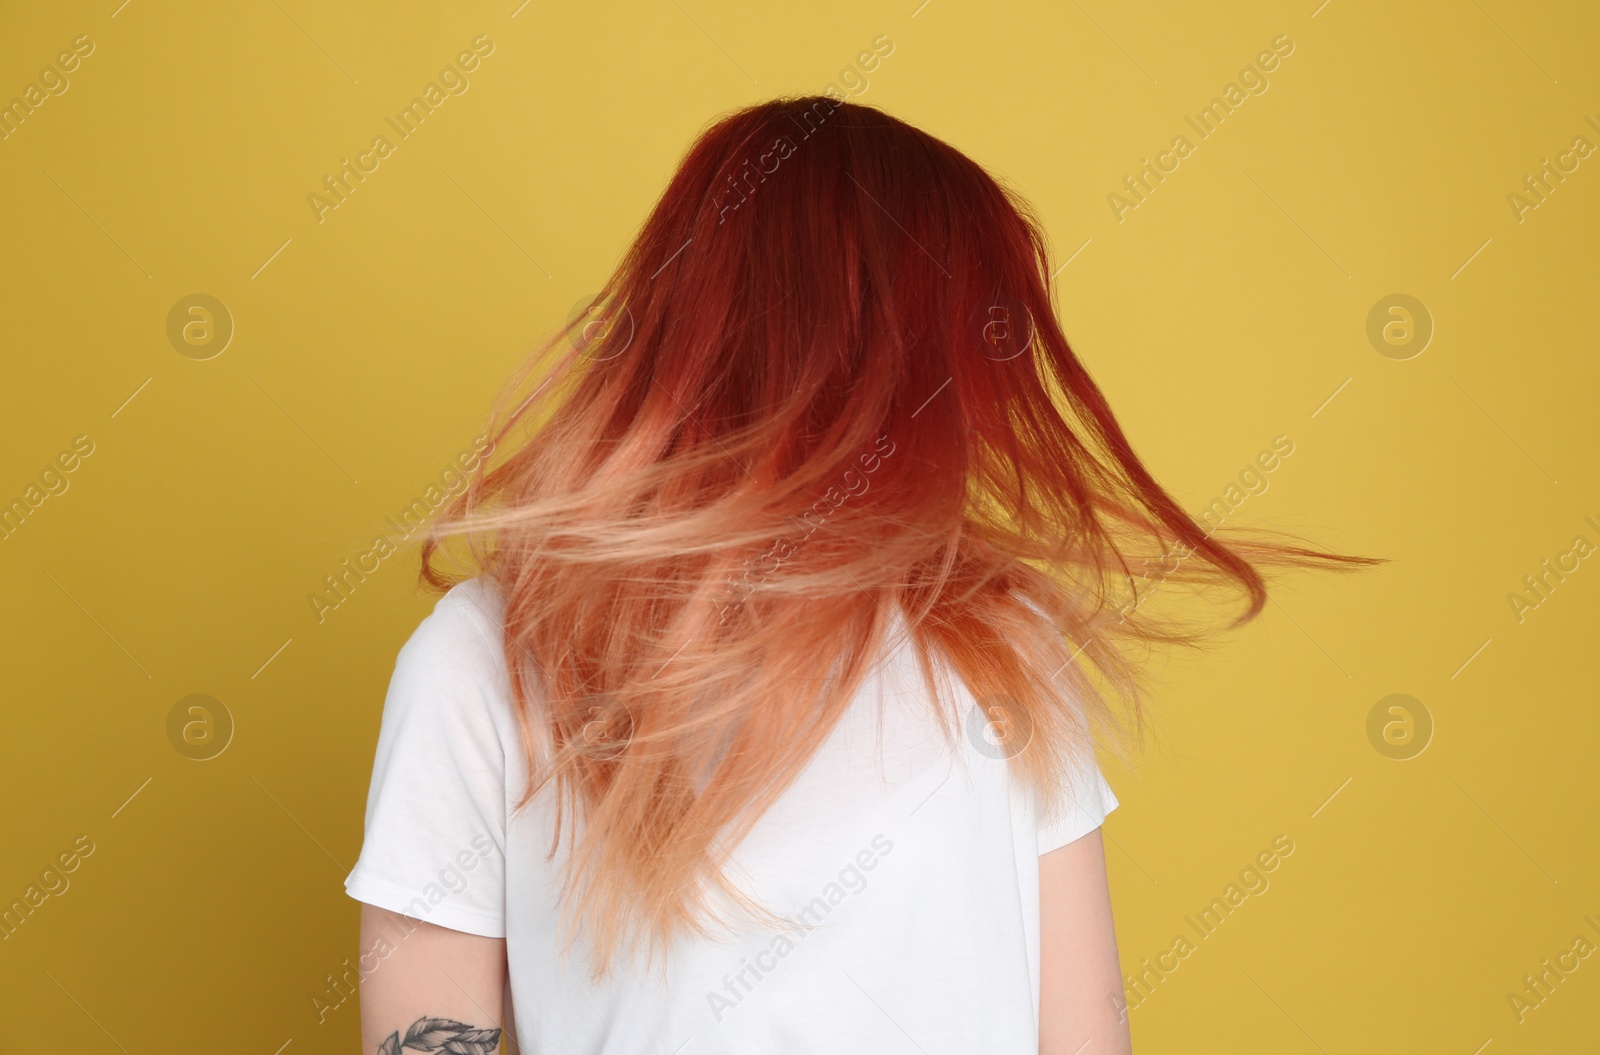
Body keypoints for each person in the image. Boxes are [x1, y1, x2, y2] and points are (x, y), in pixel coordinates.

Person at [343, 95, 1378, 1054]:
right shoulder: (484, 658)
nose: (985, 397)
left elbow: (1082, 1031)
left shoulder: (1004, 645)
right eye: (971, 337)